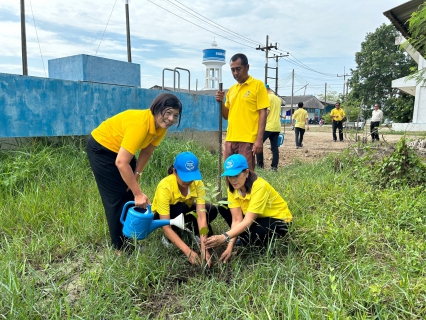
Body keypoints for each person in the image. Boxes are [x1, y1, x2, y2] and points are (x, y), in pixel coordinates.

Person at [86, 93, 182, 255]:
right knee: (116, 198)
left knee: (129, 194)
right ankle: (120, 249)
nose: (171, 119)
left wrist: (137, 174)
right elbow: (121, 162)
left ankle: (129, 239)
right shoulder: (141, 124)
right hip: (101, 149)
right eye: (168, 113)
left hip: (120, 151)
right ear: (157, 108)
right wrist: (138, 192)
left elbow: (147, 151)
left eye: (175, 115)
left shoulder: (160, 126)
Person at [204, 154, 292, 263]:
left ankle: (262, 245)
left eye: (236, 175)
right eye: (229, 176)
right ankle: (246, 240)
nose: (233, 180)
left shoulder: (259, 186)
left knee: (253, 235)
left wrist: (224, 237)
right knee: (224, 206)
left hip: (277, 220)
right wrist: (229, 247)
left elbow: (248, 221)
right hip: (256, 218)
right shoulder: (233, 188)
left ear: (246, 173)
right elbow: (236, 219)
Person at [151, 152, 222, 266]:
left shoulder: (198, 183)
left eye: (191, 177)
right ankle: (170, 237)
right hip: (164, 218)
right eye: (184, 177)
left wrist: (204, 249)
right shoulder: (164, 187)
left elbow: (201, 215)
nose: (188, 182)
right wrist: (188, 251)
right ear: (174, 171)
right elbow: (166, 226)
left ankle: (191, 231)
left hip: (184, 211)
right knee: (181, 208)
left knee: (211, 210)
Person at [215, 53, 269, 171]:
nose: (235, 73)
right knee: (229, 174)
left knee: (246, 176)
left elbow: (263, 113)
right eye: (232, 70)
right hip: (230, 139)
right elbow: (226, 115)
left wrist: (259, 140)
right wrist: (220, 102)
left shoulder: (257, 86)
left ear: (247, 67)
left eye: (238, 69)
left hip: (247, 140)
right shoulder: (231, 90)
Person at [256, 84, 282, 171]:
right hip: (277, 126)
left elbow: (266, 112)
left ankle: (260, 165)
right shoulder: (278, 99)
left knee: (258, 144)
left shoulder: (267, 98)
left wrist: (259, 124)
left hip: (268, 126)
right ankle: (274, 167)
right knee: (274, 147)